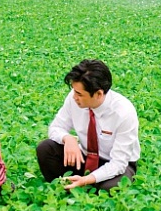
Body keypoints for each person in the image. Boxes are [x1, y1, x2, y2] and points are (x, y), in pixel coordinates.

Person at [36, 59, 140, 192]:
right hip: (83, 155)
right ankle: (64, 186)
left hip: (114, 162)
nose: (74, 97)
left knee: (111, 187)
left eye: (79, 94)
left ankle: (86, 186)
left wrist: (87, 179)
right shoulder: (74, 99)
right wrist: (67, 138)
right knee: (45, 149)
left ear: (98, 94)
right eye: (74, 91)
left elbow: (118, 163)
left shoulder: (124, 112)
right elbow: (56, 127)